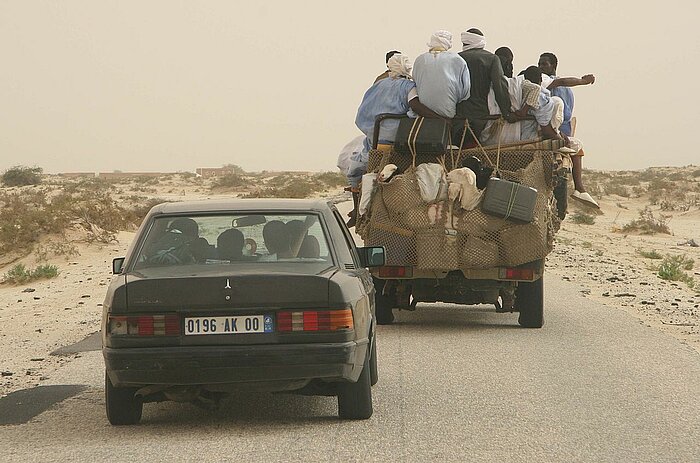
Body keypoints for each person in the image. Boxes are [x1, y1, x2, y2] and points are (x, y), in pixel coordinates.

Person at [346, 53, 439, 227]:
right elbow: (415, 105)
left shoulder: (378, 85)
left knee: (355, 168)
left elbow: (362, 112)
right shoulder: (409, 86)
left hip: (375, 138)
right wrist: (438, 117)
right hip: (397, 139)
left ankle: (357, 211)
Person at [539, 52, 598, 208]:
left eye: (544, 64)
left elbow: (562, 112)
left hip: (554, 130)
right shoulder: (558, 86)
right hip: (554, 131)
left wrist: (582, 81)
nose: (541, 67)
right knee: (576, 148)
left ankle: (579, 188)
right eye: (540, 64)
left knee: (574, 148)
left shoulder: (548, 83)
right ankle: (579, 188)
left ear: (553, 65)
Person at [456, 28, 512, 138]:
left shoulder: (455, 58)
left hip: (457, 114)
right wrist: (507, 113)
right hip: (480, 113)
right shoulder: (491, 59)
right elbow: (499, 86)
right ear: (481, 42)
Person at [412, 30, 471, 119]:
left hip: (423, 114)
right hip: (447, 113)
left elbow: (415, 83)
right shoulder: (457, 59)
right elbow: (465, 90)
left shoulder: (419, 60)